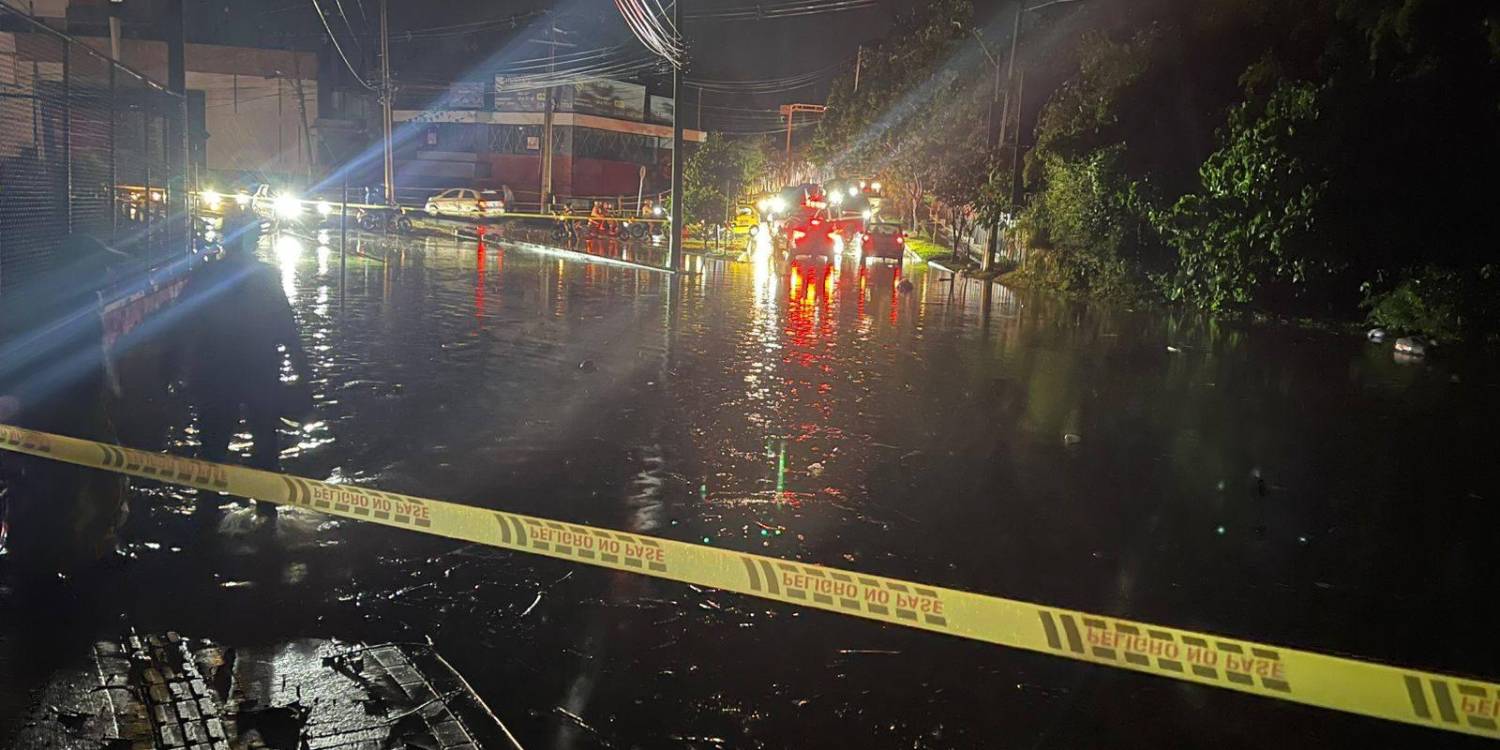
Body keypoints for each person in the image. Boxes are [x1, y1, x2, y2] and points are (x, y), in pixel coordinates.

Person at [0, 235, 131, 577]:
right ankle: (43, 560)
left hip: (73, 412)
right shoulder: (59, 308)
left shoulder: (78, 302)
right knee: (56, 485)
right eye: (101, 267)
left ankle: (58, 552)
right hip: (58, 415)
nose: (108, 274)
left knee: (74, 483)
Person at [178, 206, 312, 517]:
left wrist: (173, 371)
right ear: (254, 238)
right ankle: (267, 513)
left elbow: (180, 324)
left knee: (212, 447)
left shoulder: (205, 275)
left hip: (214, 374)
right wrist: (304, 376)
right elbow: (288, 329)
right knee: (265, 444)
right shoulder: (266, 276)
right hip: (259, 372)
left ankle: (207, 514)